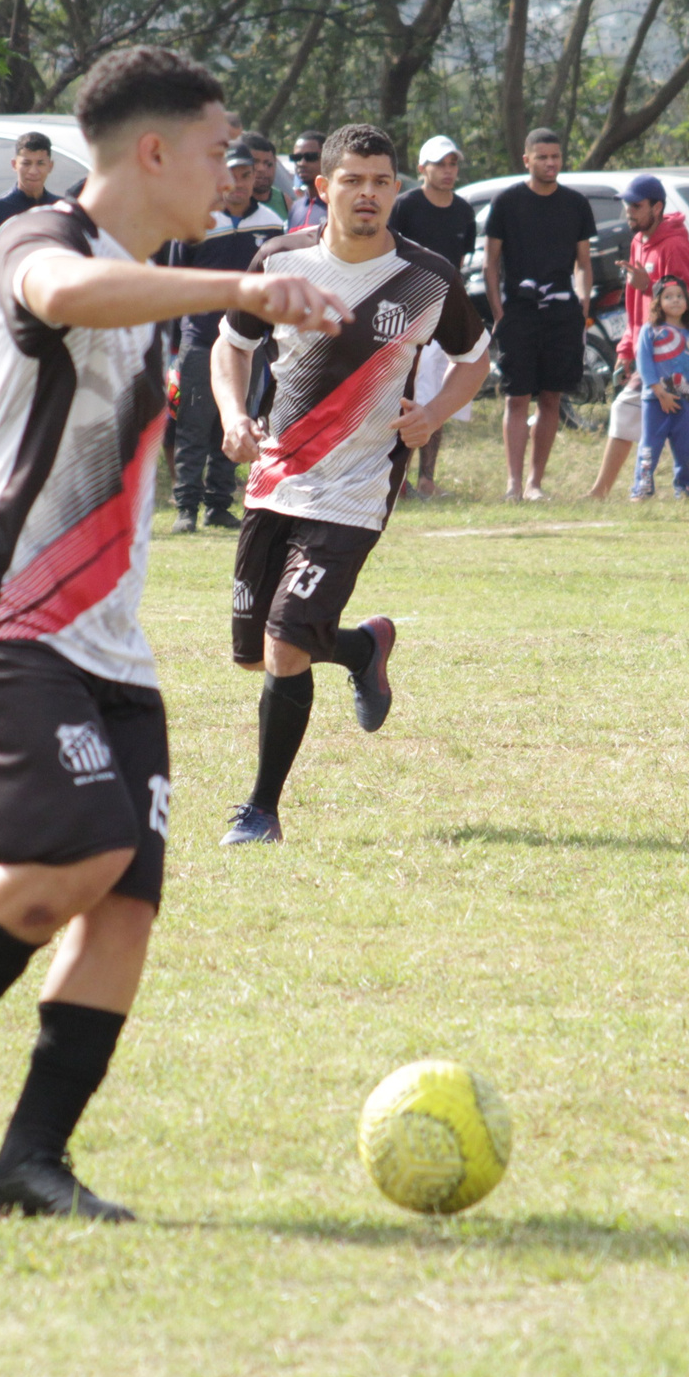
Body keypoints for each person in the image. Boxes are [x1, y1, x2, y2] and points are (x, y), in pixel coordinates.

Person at [0, 45, 344, 1223]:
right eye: (215, 149)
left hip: (108, 647)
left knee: (126, 902)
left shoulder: (148, 286)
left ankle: (30, 1165)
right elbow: (62, 297)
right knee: (78, 854)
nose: (230, 171)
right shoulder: (41, 238)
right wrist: (242, 291)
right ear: (152, 151)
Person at [207, 124, 490, 846]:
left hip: (357, 488)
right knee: (255, 649)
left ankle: (261, 811)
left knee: (284, 643)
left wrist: (433, 413)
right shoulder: (280, 261)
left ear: (397, 189)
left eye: (382, 181)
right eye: (354, 180)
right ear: (322, 187)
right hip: (276, 478)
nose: (369, 193)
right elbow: (231, 346)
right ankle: (363, 649)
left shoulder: (427, 277)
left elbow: (475, 359)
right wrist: (234, 413)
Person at [168, 144, 283, 533]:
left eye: (247, 175)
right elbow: (176, 280)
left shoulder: (271, 224)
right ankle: (186, 506)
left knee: (236, 422)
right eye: (232, 175)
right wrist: (176, 343)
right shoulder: (199, 219)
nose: (240, 183)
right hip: (201, 339)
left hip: (247, 342)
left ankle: (219, 503)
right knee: (193, 424)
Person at [585, 174, 689, 499]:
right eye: (627, 205)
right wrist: (626, 348)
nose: (629, 212)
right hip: (650, 350)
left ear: (657, 207)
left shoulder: (677, 246)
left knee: (642, 412)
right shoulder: (638, 242)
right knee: (687, 423)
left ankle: (602, 491)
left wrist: (651, 286)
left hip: (677, 352)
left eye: (636, 205)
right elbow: (635, 306)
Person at [480, 128, 592, 500]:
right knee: (516, 397)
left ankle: (534, 483)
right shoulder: (506, 202)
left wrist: (582, 304)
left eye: (555, 156)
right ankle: (513, 483)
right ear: (527, 160)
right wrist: (499, 312)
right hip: (518, 311)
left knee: (551, 397)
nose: (550, 163)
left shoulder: (575, 204)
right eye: (542, 157)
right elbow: (490, 264)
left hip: (562, 313)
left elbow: (583, 263)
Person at [387, 135, 477, 498]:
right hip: (406, 311)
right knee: (406, 391)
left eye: (453, 164)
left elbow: (459, 264)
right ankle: (396, 478)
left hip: (445, 312)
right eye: (440, 164)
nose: (448, 171)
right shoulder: (404, 206)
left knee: (437, 394)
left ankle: (427, 479)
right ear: (422, 168)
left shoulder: (464, 211)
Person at [630, 276, 689, 500]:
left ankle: (685, 488)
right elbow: (644, 364)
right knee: (650, 445)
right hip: (655, 401)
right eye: (668, 297)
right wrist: (660, 392)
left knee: (685, 447)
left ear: (687, 302)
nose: (675, 301)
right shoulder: (650, 331)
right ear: (658, 303)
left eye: (680, 296)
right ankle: (642, 487)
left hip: (685, 401)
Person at [0, 130, 61, 238]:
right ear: (14, 165)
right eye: (26, 163)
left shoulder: (60, 208)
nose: (33, 171)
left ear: (50, 166)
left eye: (40, 163)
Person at [284, 130, 327, 231]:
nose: (301, 163)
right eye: (296, 157)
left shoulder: (336, 205)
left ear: (326, 159)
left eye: (310, 157)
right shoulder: (295, 208)